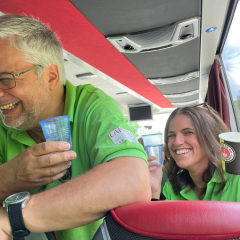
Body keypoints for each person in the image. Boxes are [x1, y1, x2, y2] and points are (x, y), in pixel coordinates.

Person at [0, 14, 151, 240]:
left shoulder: (92, 107)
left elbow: (133, 182)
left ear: (51, 77)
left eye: (6, 78)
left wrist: (15, 218)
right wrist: (9, 178)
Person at [149, 105, 240, 201]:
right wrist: (154, 190)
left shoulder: (236, 180)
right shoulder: (171, 187)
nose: (177, 142)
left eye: (188, 132)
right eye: (171, 135)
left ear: (209, 137)